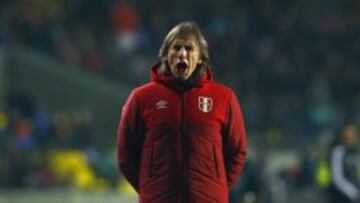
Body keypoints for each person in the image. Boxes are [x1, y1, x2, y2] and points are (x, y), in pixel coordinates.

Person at [117, 21, 247, 203]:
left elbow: (237, 150)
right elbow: (125, 152)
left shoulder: (223, 98)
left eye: (189, 48)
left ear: (201, 57)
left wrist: (217, 188)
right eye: (176, 47)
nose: (182, 53)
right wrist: (150, 188)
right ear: (165, 55)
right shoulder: (141, 98)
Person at [328, 122, 360, 203]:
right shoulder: (338, 151)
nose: (351, 136)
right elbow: (338, 178)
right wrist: (354, 193)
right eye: (348, 133)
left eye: (353, 132)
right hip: (342, 197)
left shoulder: (355, 151)